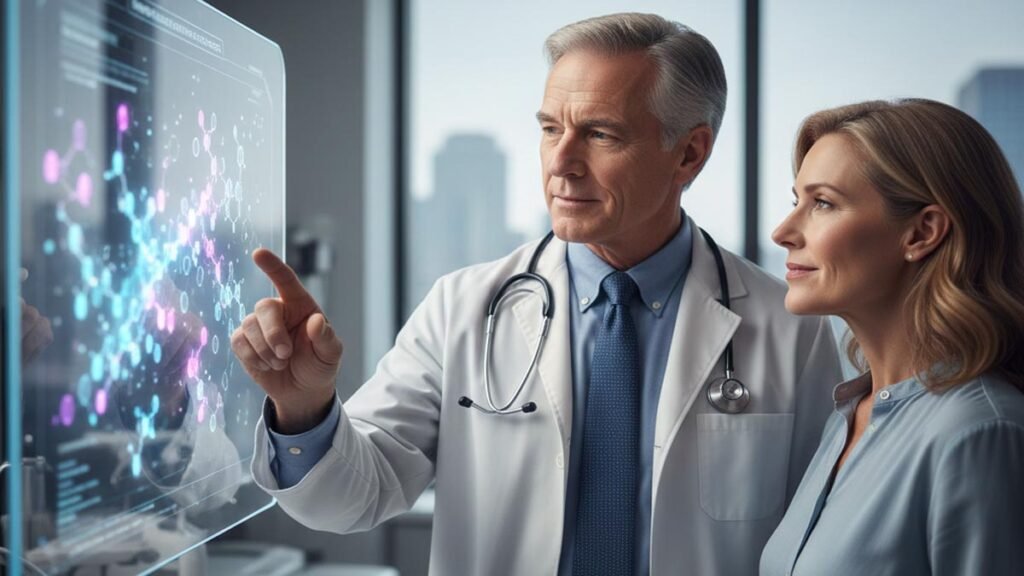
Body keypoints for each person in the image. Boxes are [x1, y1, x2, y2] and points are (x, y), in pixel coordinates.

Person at [233, 13, 842, 575]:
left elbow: (818, 540)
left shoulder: (791, 328)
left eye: (601, 135)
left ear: (689, 153)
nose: (562, 162)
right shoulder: (463, 308)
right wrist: (305, 410)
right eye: (551, 129)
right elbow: (352, 500)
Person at [760, 99, 1024, 575]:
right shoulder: (848, 416)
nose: (783, 232)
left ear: (922, 232)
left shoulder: (979, 433)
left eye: (822, 203)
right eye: (795, 200)